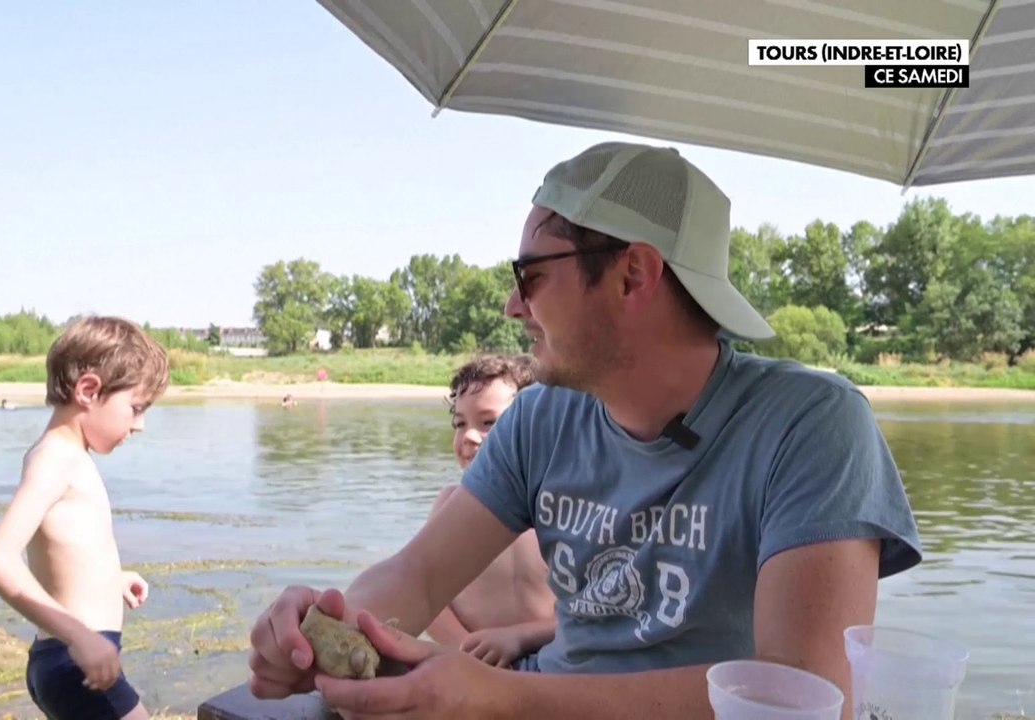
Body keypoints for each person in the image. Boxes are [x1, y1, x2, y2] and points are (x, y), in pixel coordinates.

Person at [246, 142, 922, 719]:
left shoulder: (810, 424)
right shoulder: (542, 416)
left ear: (633, 274)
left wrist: (503, 698)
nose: (514, 305)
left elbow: (799, 693)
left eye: (531, 275)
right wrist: (322, 626)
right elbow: (418, 575)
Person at [0, 315, 169, 720]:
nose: (141, 425)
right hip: (72, 660)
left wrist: (111, 580)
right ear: (88, 390)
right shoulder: (56, 459)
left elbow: (61, 553)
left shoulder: (65, 456)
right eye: (134, 408)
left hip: (63, 659)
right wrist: (79, 636)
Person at [424, 355, 555, 669]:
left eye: (489, 422)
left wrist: (520, 637)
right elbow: (428, 597)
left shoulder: (559, 508)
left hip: (554, 658)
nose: (469, 436)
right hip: (473, 663)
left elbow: (594, 610)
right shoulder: (449, 505)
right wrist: (466, 650)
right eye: (460, 423)